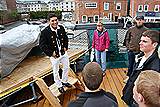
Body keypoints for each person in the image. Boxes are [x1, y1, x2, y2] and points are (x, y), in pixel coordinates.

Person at [122, 30, 160, 106]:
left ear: (154, 44)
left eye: (144, 41)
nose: (140, 43)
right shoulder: (140, 57)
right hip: (131, 94)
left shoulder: (155, 67)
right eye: (140, 40)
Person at [39, 13, 72, 93]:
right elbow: (42, 45)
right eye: (52, 21)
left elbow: (65, 38)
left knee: (66, 67)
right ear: (49, 22)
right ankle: (59, 85)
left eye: (56, 20)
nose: (55, 22)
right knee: (56, 70)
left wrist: (65, 47)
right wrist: (51, 53)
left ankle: (64, 81)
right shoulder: (45, 32)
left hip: (63, 53)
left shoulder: (61, 28)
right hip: (54, 55)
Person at [123, 15, 148, 82]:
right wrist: (128, 47)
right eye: (138, 20)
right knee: (130, 65)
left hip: (141, 52)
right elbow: (126, 39)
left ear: (143, 21)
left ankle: (137, 79)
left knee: (139, 66)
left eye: (141, 20)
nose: (139, 21)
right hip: (131, 51)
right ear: (135, 21)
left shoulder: (146, 30)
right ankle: (128, 77)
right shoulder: (131, 29)